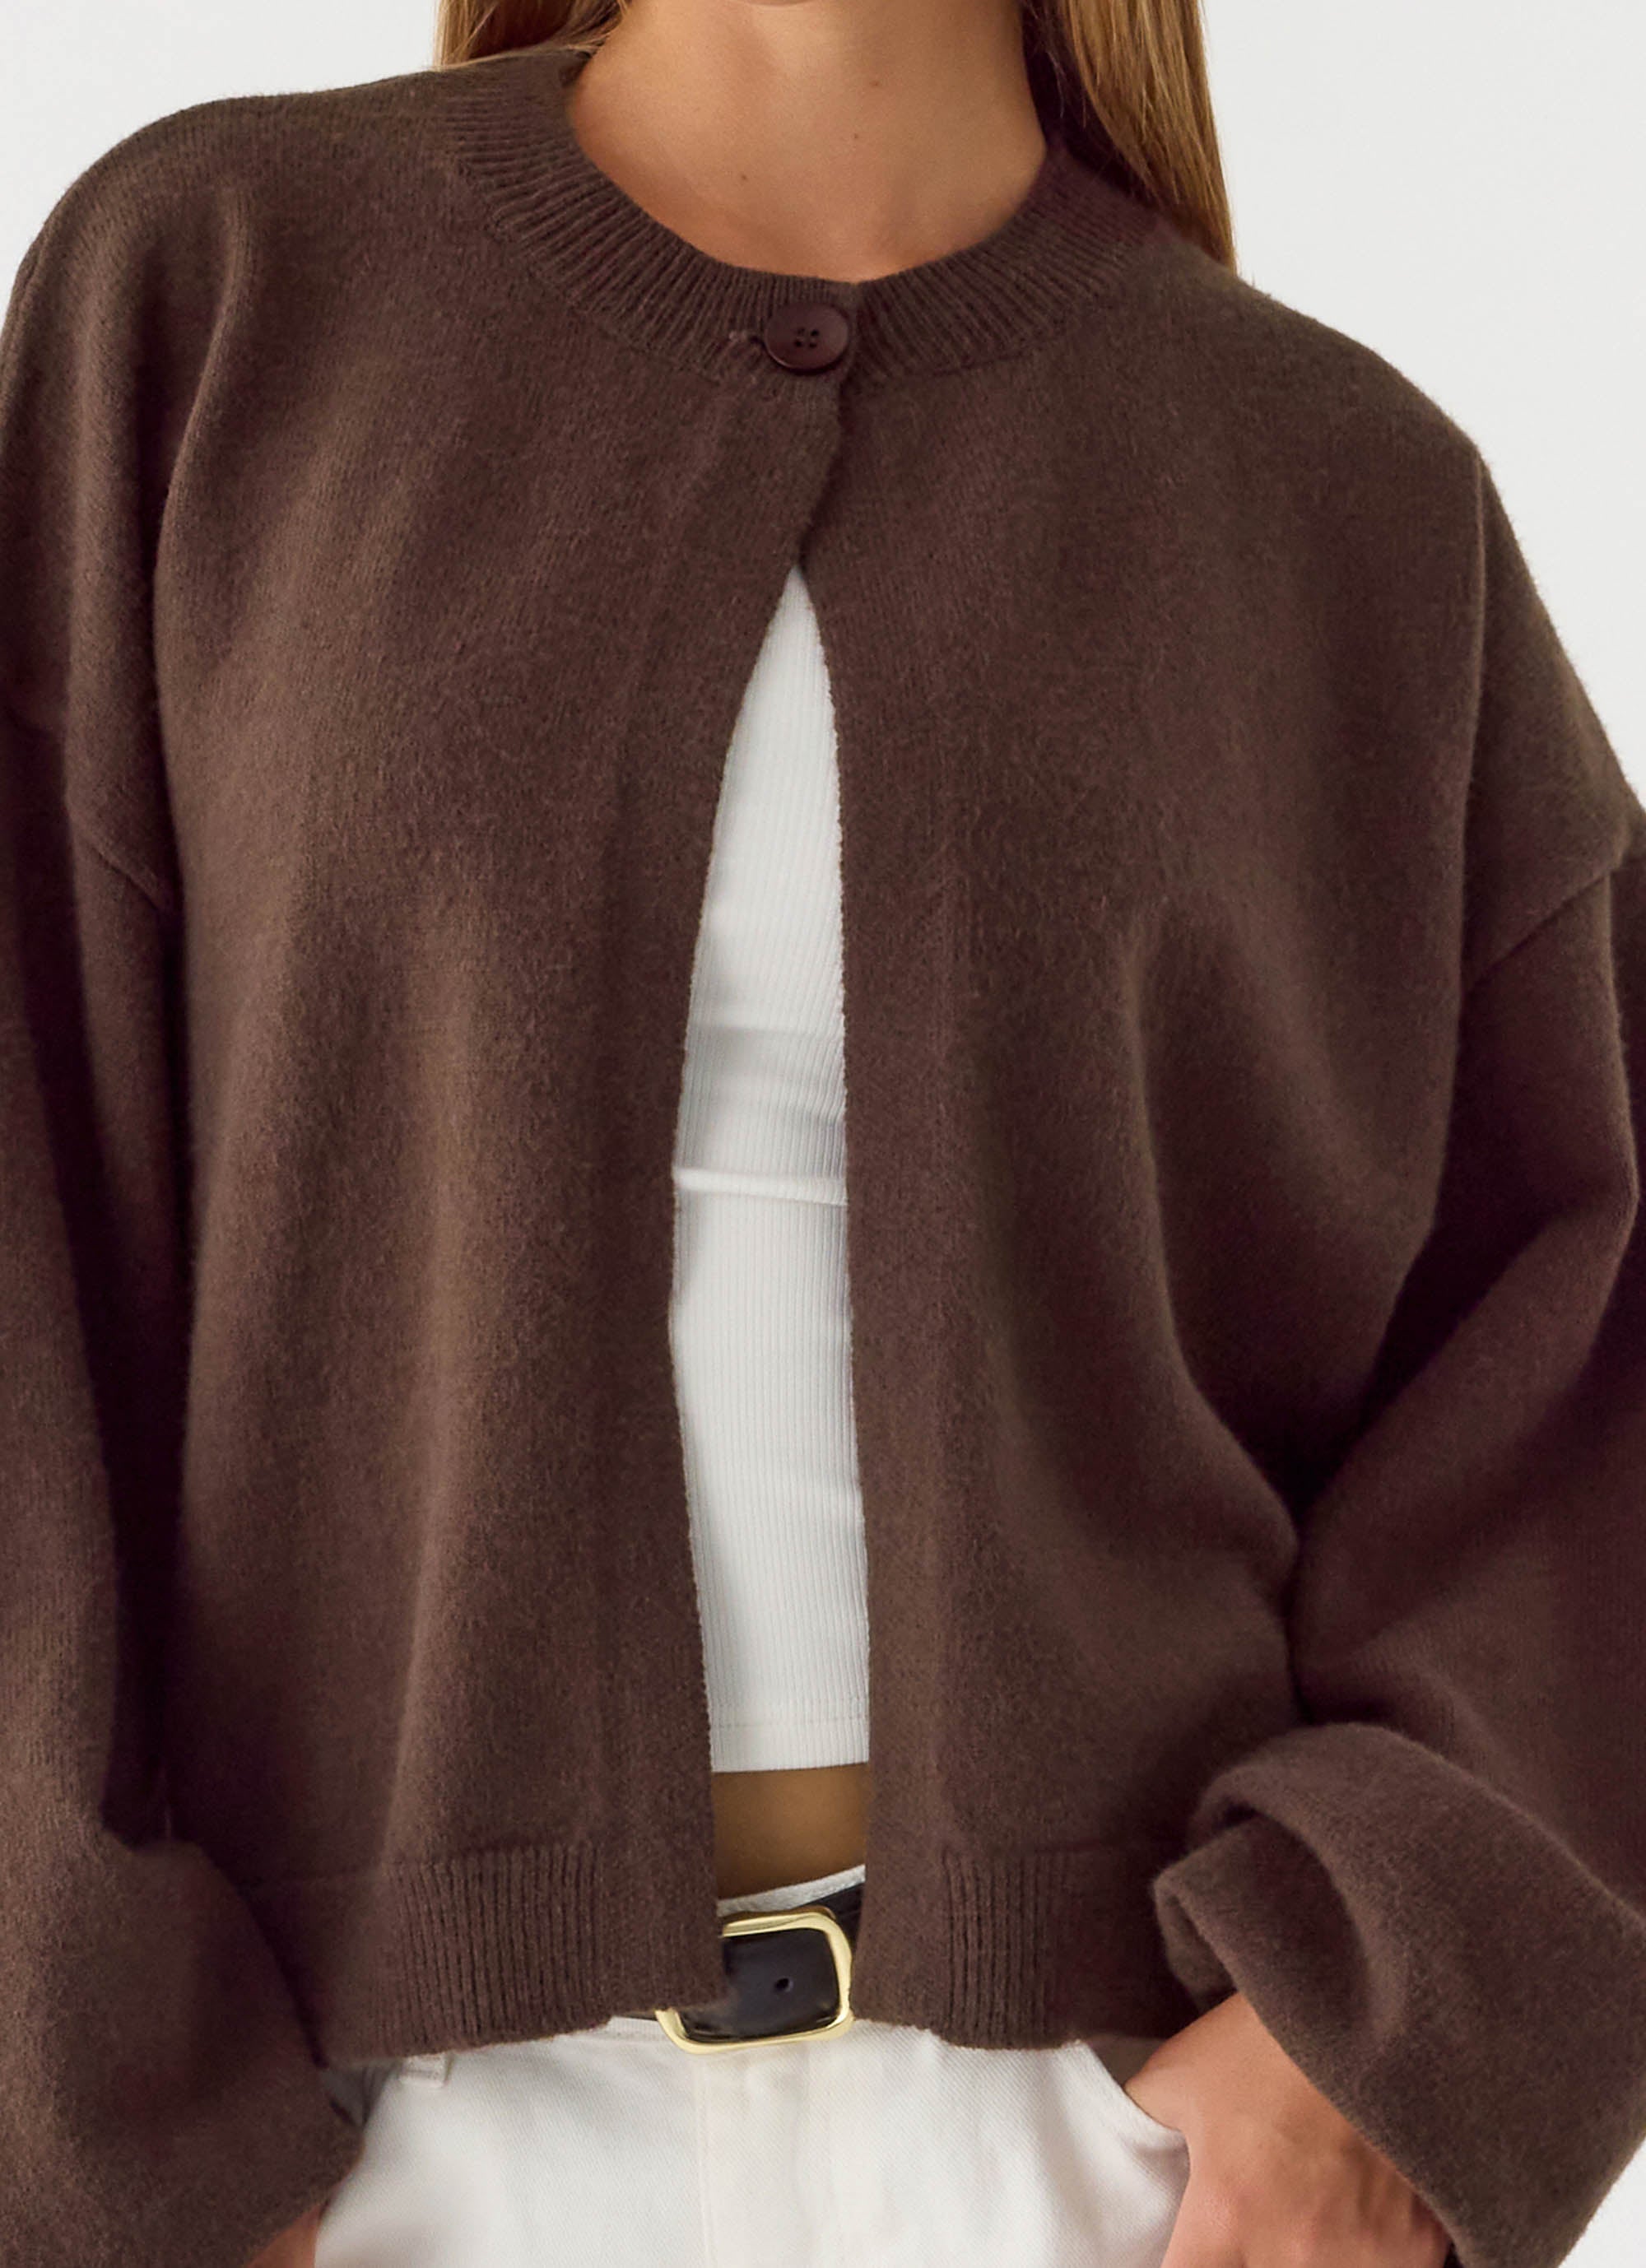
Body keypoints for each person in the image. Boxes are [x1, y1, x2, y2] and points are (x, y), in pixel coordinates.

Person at [3, 0, 1643, 2264]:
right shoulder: (220, 293)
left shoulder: (1345, 494)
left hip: (1113, 2160)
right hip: (358, 2152)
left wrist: (1374, 2028)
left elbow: (1589, 1361)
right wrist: (106, 2129)